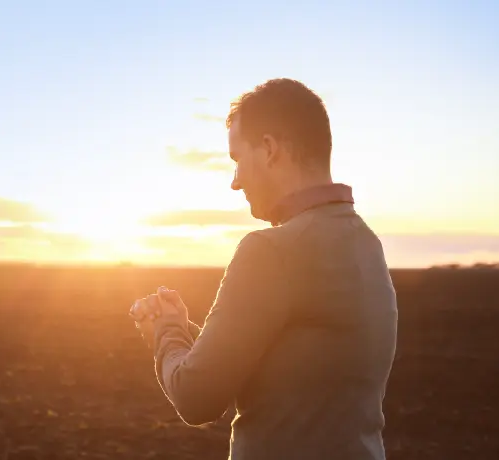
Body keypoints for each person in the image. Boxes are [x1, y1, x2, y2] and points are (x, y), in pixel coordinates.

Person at [130, 78, 398, 460]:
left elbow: (197, 396)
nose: (235, 181)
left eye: (237, 159)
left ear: (270, 149)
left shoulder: (272, 251)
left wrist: (165, 331)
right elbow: (294, 368)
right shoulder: (365, 243)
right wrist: (190, 333)